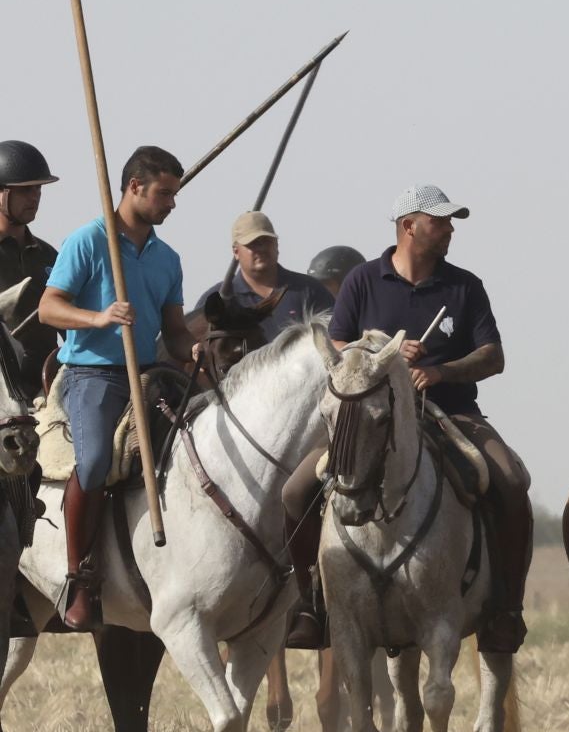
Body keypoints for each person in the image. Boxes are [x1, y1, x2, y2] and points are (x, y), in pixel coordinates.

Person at [316, 185, 534, 653]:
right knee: (295, 490)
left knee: (512, 482)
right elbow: (337, 348)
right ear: (408, 226)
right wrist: (382, 353)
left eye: (451, 221)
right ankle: (312, 606)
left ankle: (505, 610)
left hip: (452, 411)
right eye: (441, 221)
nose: (450, 229)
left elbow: (493, 357)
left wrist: (438, 370)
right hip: (372, 419)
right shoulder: (362, 281)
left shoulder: (465, 286)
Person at [38, 146, 194, 631]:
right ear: (134, 188)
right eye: (165, 193)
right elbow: (49, 308)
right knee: (95, 462)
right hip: (93, 376)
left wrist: (197, 350)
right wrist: (99, 317)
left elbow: (174, 331)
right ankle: (78, 578)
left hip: (147, 373)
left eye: (174, 193)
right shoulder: (88, 241)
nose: (172, 203)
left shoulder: (168, 259)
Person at [187, 211, 335, 342]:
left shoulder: (309, 290)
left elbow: (337, 337)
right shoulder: (217, 300)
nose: (262, 249)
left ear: (277, 245)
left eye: (267, 242)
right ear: (236, 251)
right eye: (253, 244)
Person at [0, 140, 62, 379]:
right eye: (26, 190)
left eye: (38, 189)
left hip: (46, 383)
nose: (35, 197)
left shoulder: (49, 256)